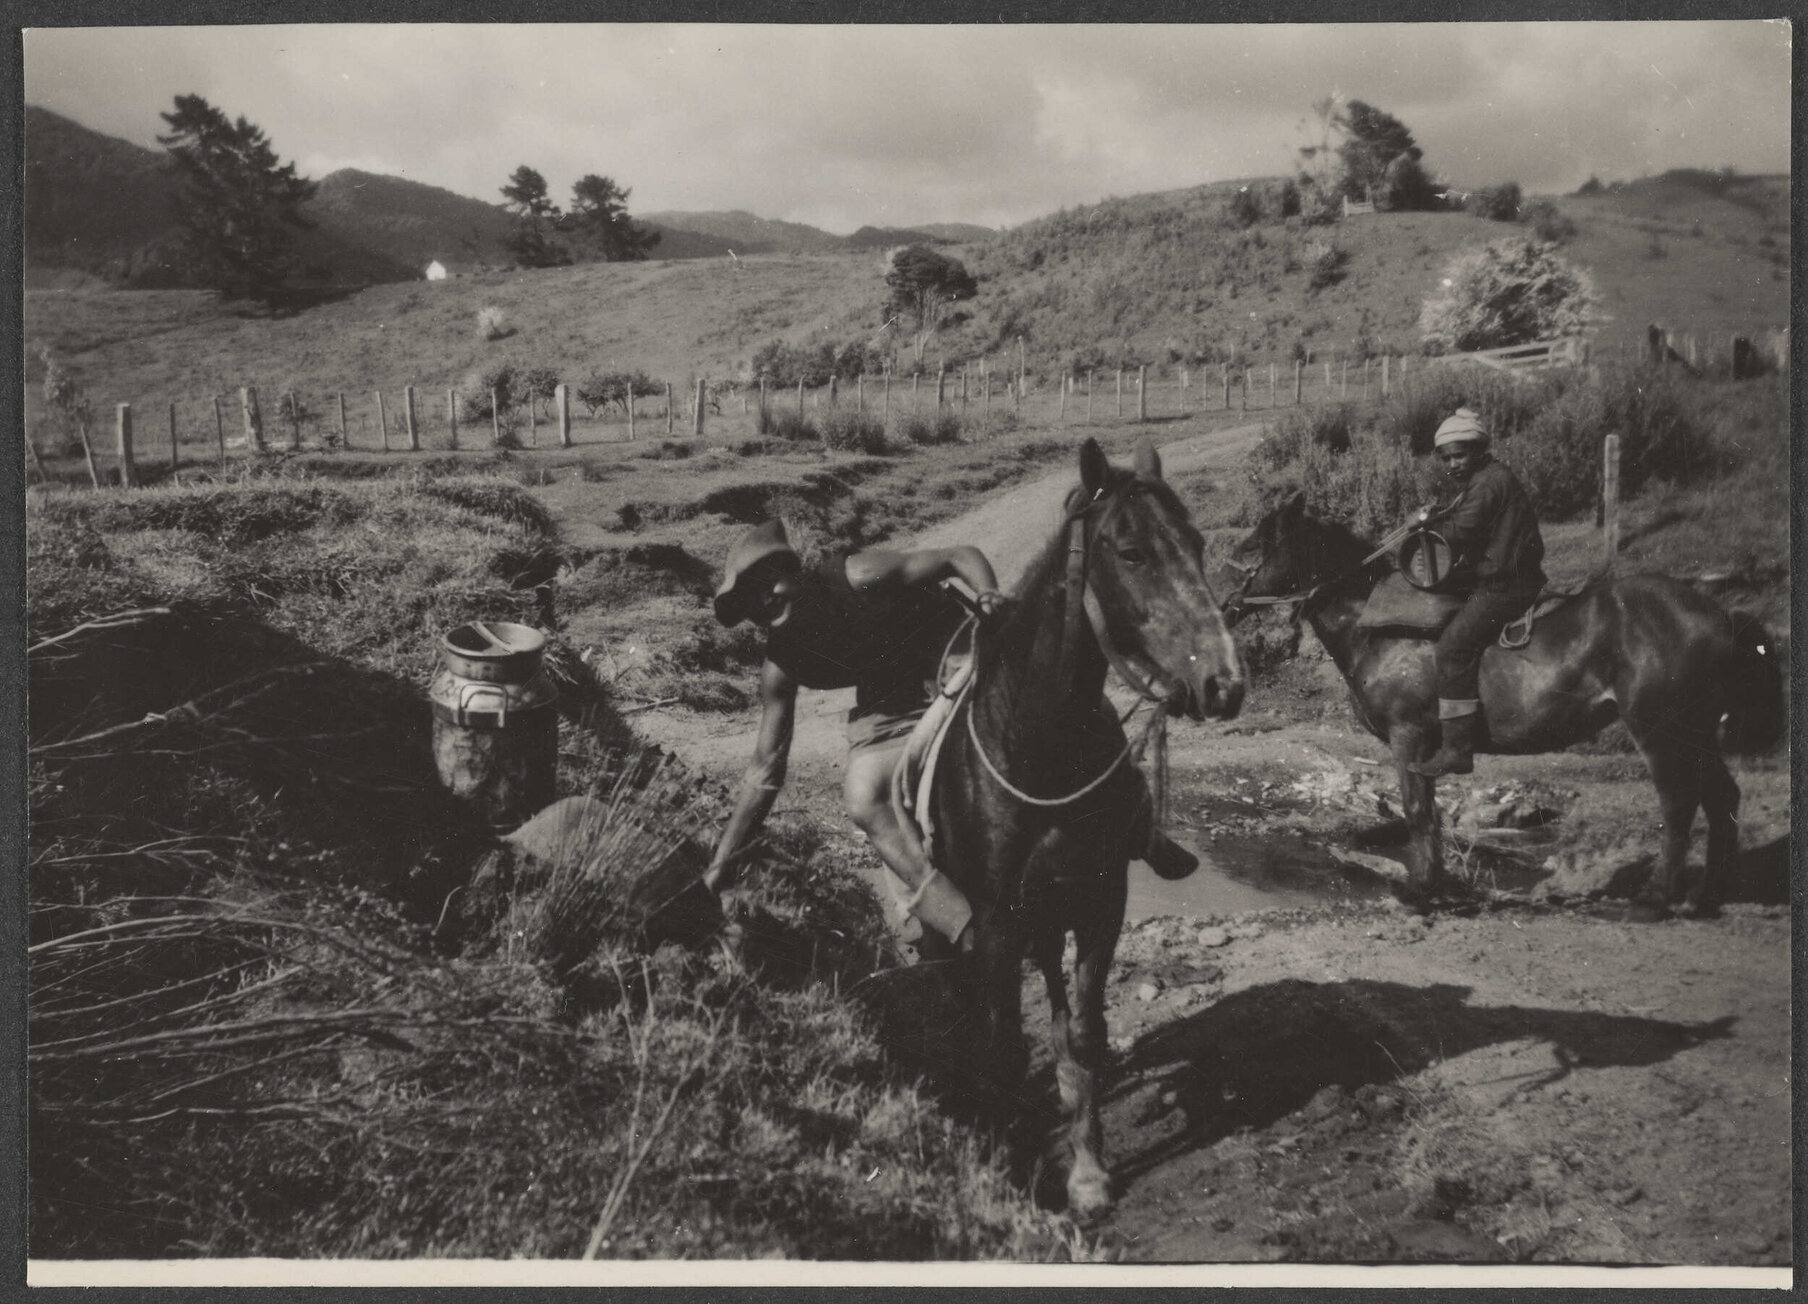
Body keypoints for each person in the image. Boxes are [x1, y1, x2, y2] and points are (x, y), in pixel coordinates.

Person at [707, 518, 1198, 951]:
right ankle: (954, 920)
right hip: (889, 706)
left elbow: (958, 557)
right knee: (863, 795)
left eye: (770, 581)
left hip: (957, 654)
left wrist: (988, 596)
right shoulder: (780, 665)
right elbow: (764, 769)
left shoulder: (858, 575)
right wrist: (722, 862)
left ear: (794, 570)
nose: (764, 600)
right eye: (749, 599)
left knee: (1069, 705)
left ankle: (1140, 823)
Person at [1410, 406, 1546, 777]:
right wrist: (1436, 514)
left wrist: (1421, 527)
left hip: (1507, 585)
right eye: (1448, 457)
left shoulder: (1487, 483)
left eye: (1461, 455)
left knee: (1453, 647)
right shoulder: (1485, 479)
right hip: (1505, 577)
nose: (1453, 463)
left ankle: (1456, 749)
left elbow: (1459, 531)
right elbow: (1463, 516)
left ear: (1479, 450)